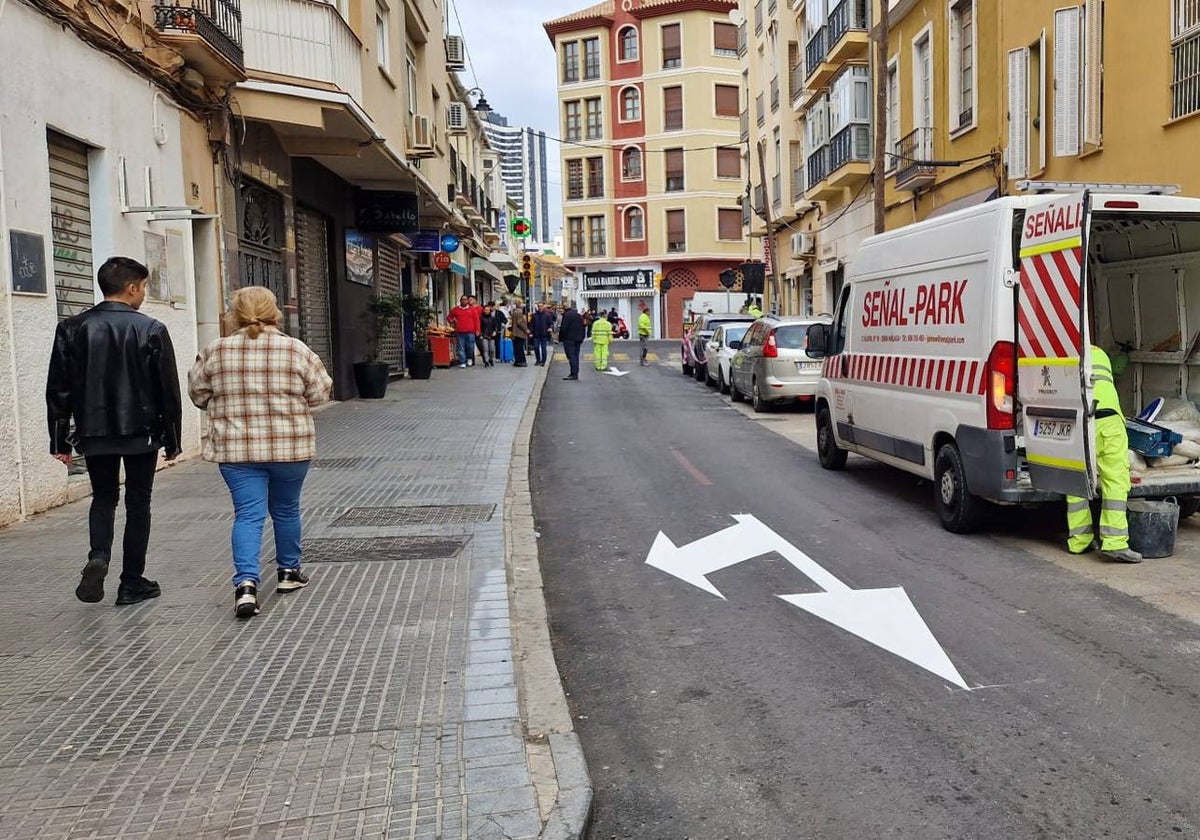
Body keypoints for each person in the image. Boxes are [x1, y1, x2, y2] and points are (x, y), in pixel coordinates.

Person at [188, 286, 333, 619]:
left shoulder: (216, 350)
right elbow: (321, 393)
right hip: (289, 446)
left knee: (248, 515)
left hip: (237, 450)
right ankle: (288, 573)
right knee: (285, 509)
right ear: (275, 312)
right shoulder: (295, 349)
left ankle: (246, 587)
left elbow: (198, 393)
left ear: (235, 314)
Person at [46, 256, 183, 606]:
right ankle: (131, 582)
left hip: (94, 432)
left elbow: (58, 389)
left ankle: (99, 555)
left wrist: (60, 440)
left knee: (104, 498)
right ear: (134, 287)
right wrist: (172, 439)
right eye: (144, 288)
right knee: (139, 502)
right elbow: (166, 390)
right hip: (141, 433)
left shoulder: (72, 328)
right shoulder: (151, 329)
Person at [1065, 345, 1142, 563]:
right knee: (1115, 480)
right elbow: (1115, 372)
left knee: (1076, 481)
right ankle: (1115, 543)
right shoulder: (1099, 352)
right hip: (1109, 421)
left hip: (1080, 422)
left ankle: (1079, 541)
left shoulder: (1063, 352)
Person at [447, 295, 481, 368]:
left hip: (470, 332)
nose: (464, 301)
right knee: (460, 348)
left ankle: (469, 358)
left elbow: (476, 320)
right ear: (460, 301)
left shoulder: (472, 309)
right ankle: (463, 361)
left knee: (470, 347)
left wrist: (478, 330)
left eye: (465, 300)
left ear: (467, 301)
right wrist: (451, 321)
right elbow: (449, 317)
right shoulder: (455, 309)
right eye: (462, 299)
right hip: (460, 332)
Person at [559, 302, 585, 380]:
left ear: (564, 308)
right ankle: (575, 373)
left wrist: (560, 338)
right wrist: (582, 337)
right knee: (576, 356)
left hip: (569, 339)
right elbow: (582, 326)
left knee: (571, 356)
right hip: (578, 339)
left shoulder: (566, 315)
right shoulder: (578, 315)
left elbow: (564, 328)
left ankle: (573, 373)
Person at [531, 302, 555, 366]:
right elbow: (532, 324)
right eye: (539, 306)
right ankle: (538, 360)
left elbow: (551, 323)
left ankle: (543, 361)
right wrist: (531, 332)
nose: (540, 308)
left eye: (541, 306)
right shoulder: (534, 315)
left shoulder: (547, 315)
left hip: (544, 334)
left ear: (543, 307)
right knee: (536, 347)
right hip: (536, 334)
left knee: (543, 348)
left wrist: (550, 328)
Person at [479, 302, 500, 368]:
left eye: (488, 310)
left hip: (491, 335)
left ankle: (491, 359)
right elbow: (479, 327)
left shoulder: (492, 318)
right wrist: (480, 334)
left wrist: (495, 331)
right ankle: (486, 361)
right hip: (484, 335)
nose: (486, 311)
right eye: (485, 310)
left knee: (492, 349)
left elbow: (496, 326)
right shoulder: (481, 318)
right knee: (485, 349)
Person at [469, 295, 487, 363]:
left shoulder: (480, 309)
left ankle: (485, 359)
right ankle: (471, 360)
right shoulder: (468, 308)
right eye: (469, 300)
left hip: (479, 329)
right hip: (470, 329)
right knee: (470, 346)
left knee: (480, 345)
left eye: (471, 299)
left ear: (475, 300)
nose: (469, 301)